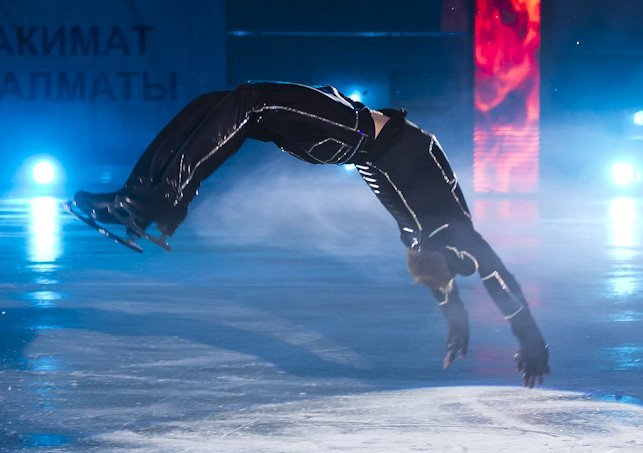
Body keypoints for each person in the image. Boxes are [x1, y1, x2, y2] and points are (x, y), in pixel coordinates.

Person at [69, 81, 549, 387]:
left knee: (246, 102)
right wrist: (476, 329)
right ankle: (139, 196)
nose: (426, 272)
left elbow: (476, 284)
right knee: (216, 103)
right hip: (345, 135)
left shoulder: (445, 234)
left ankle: (160, 199)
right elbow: (483, 286)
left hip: (354, 133)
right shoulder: (441, 240)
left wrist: (507, 337)